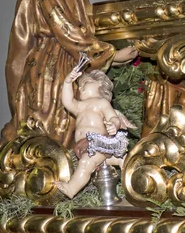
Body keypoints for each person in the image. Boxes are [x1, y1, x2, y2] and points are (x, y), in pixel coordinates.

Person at [0, 0, 137, 148]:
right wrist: (110, 54)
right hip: (52, 70)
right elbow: (65, 26)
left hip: (68, 63)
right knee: (51, 140)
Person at [54, 67, 135, 198]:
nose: (80, 88)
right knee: (92, 160)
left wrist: (113, 125)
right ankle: (119, 159)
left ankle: (71, 188)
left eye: (85, 83)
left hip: (98, 142)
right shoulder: (80, 106)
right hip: (82, 145)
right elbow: (67, 101)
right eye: (79, 87)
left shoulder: (101, 102)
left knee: (86, 163)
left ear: (99, 84)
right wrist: (68, 82)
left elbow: (113, 117)